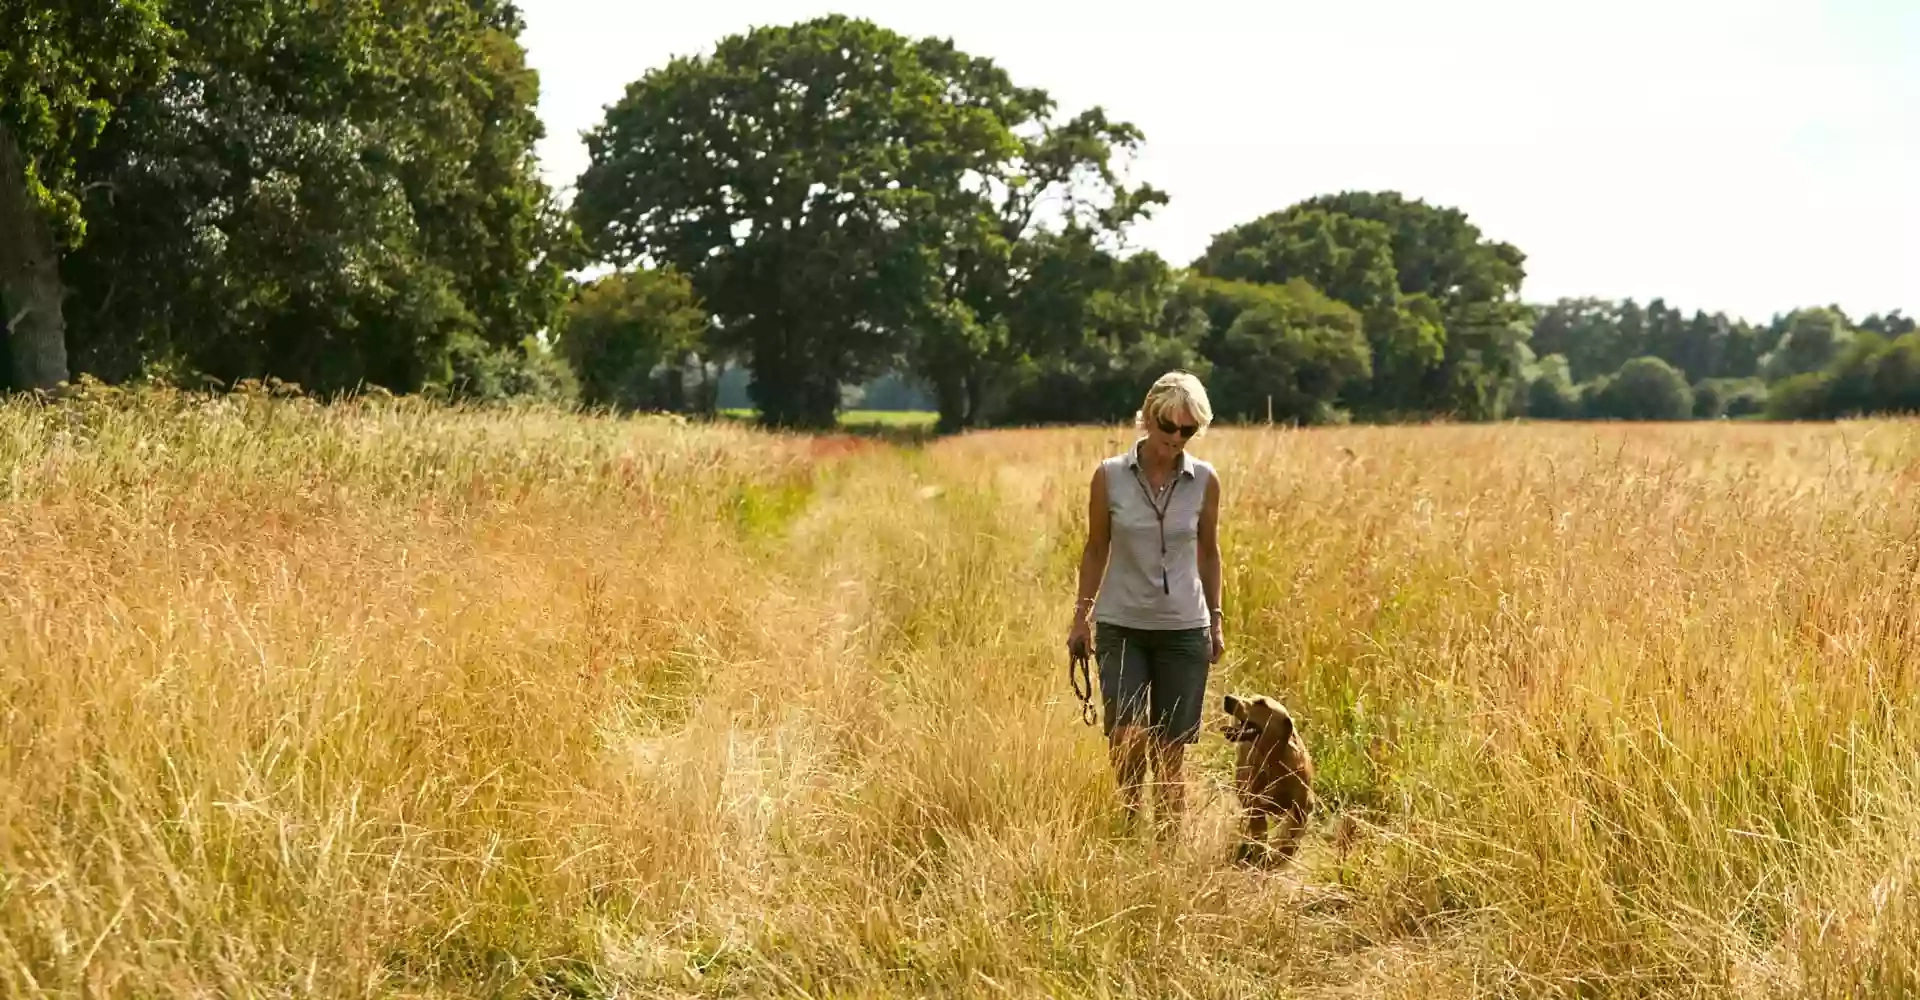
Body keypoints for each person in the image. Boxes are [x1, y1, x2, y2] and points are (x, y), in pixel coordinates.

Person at [1066, 370, 1224, 838]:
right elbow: (1096, 548)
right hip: (1122, 623)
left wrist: (1215, 621)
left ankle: (1170, 847)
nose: (1177, 439)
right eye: (1169, 427)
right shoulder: (1109, 476)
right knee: (1127, 736)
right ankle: (1130, 822)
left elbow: (1209, 551)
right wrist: (1081, 617)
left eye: (1189, 430)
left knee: (1172, 750)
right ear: (1147, 418)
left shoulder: (1205, 480)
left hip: (1183, 628)